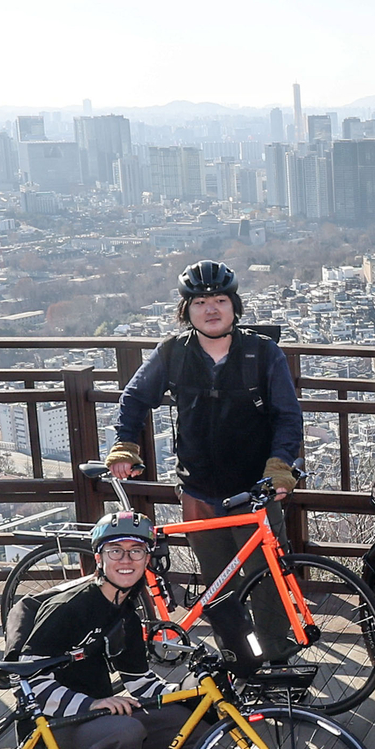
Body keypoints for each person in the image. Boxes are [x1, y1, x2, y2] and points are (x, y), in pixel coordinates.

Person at [105, 260, 304, 662]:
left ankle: (277, 661)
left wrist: (280, 466)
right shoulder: (173, 353)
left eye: (219, 300)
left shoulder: (262, 354)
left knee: (268, 583)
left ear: (235, 306)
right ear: (186, 311)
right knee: (219, 587)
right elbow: (135, 397)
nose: (210, 309)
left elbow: (287, 414)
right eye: (199, 302)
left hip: (254, 492)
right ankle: (238, 662)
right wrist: (126, 444)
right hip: (198, 490)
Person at [17, 512, 196, 749]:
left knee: (196, 723)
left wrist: (188, 691)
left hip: (95, 719)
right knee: (126, 732)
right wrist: (95, 704)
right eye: (115, 550)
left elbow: (140, 683)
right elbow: (30, 683)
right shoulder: (67, 608)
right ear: (99, 557)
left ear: (147, 558)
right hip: (51, 727)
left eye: (136, 551)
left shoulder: (125, 613)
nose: (126, 559)